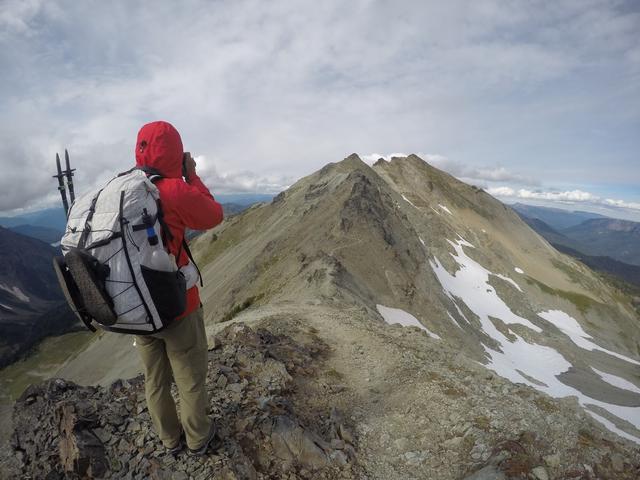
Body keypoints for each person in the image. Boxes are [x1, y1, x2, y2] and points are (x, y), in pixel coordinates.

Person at [133, 120, 224, 456]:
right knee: (189, 377)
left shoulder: (126, 190)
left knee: (155, 380)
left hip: (137, 308)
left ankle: (170, 440)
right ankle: (198, 437)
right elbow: (213, 215)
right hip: (177, 306)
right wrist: (191, 176)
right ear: (175, 151)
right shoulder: (172, 189)